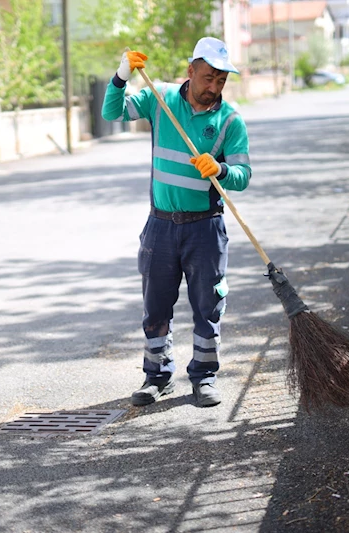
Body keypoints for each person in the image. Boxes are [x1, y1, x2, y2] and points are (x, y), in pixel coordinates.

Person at [101, 37, 252, 408]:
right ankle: (157, 376)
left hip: (205, 229)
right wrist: (122, 75)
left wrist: (221, 169)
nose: (213, 87)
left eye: (220, 80)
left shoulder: (230, 120)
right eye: (208, 78)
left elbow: (244, 175)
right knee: (156, 307)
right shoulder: (160, 98)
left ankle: (204, 376)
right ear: (191, 71)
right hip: (161, 226)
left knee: (208, 307)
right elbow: (112, 114)